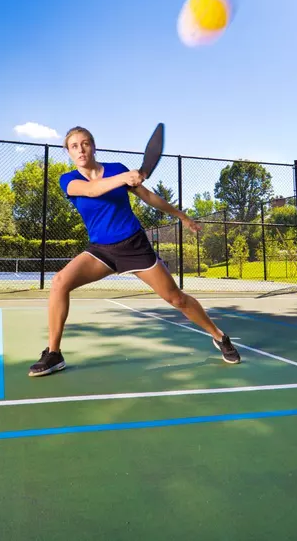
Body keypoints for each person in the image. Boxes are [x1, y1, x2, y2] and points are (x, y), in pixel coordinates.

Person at [29, 126, 241, 377]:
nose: (81, 149)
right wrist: (125, 178)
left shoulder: (117, 168)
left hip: (134, 245)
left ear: (94, 146)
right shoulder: (69, 180)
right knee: (60, 282)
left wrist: (180, 215)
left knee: (176, 298)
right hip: (100, 251)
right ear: (69, 152)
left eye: (85, 143)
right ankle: (54, 353)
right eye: (74, 146)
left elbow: (148, 196)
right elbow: (92, 190)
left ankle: (219, 336)